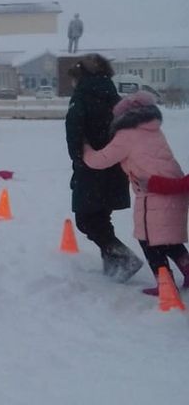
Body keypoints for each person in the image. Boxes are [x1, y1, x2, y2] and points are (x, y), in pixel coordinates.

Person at [83, 91, 189, 294]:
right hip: (176, 189)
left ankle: (165, 284)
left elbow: (100, 160)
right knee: (168, 239)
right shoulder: (153, 130)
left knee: (149, 241)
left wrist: (85, 148)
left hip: (155, 194)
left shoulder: (126, 135)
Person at [64, 54, 142, 281]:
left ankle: (123, 257)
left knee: (86, 220)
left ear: (81, 76)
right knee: (101, 217)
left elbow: (74, 133)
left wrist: (79, 160)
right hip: (115, 165)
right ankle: (112, 266)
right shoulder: (114, 97)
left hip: (90, 166)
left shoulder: (81, 98)